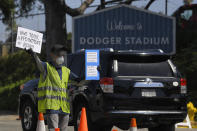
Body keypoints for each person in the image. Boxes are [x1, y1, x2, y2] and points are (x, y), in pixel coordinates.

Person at [27, 44, 79, 131]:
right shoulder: (47, 67)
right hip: (52, 107)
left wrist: (93, 74)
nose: (62, 57)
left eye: (62, 55)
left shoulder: (66, 71)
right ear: (53, 56)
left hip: (64, 108)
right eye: (59, 55)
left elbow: (79, 81)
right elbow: (39, 64)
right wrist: (33, 54)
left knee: (63, 129)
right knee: (53, 129)